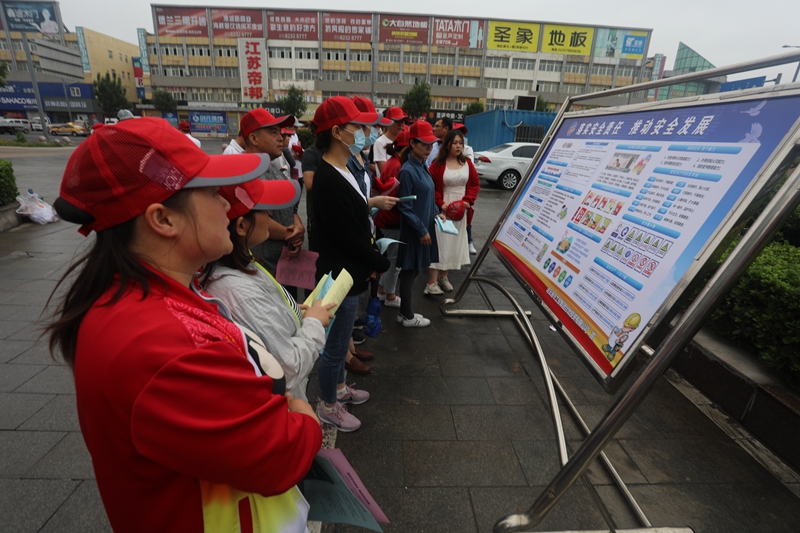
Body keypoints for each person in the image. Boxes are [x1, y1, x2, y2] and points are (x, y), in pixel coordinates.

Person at [46, 118, 321, 532]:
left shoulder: (151, 298)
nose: (227, 206)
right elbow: (280, 454)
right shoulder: (162, 344)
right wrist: (304, 414)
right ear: (163, 220)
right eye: (212, 192)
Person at [203, 178, 335, 401]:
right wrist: (313, 323)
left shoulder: (242, 262)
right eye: (264, 210)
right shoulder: (241, 295)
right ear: (241, 226)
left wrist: (285, 309)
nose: (271, 215)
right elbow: (289, 367)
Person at [310, 97, 390, 431]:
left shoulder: (345, 169)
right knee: (334, 348)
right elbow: (347, 236)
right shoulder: (328, 178)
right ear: (336, 131)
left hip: (351, 272)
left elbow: (357, 225)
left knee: (342, 342)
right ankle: (328, 405)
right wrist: (378, 261)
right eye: (357, 126)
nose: (364, 132)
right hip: (338, 276)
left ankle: (340, 389)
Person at [237, 108, 304, 299]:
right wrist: (290, 235)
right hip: (261, 269)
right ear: (254, 138)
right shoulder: (245, 172)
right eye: (273, 132)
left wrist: (298, 227)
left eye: (280, 132)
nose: (280, 138)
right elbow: (254, 218)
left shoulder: (273, 168)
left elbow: (290, 208)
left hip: (284, 265)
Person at [396, 121, 439, 326]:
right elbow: (404, 207)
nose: (429, 148)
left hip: (424, 227)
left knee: (414, 270)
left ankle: (404, 312)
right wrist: (421, 230)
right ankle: (407, 316)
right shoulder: (407, 171)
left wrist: (437, 214)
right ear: (412, 143)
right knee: (409, 271)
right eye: (424, 143)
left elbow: (428, 197)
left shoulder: (422, 166)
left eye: (431, 144)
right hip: (414, 231)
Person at [426, 129, 480, 293]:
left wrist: (467, 201)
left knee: (453, 244)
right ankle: (431, 282)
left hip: (460, 211)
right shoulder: (437, 164)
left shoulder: (467, 163)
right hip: (442, 210)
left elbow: (475, 185)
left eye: (460, 143)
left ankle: (444, 277)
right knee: (440, 243)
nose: (458, 146)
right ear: (447, 144)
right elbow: (430, 186)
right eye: (455, 143)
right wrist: (441, 203)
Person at [374, 129, 408, 308]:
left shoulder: (393, 162)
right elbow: (394, 198)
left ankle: (382, 291)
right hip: (391, 220)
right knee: (394, 261)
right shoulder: (397, 166)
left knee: (391, 258)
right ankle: (390, 295)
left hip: (386, 218)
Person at [453, 122, 477, 253]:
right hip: (447, 195)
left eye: (462, 134)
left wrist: (467, 199)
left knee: (466, 218)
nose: (460, 135)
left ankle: (469, 241)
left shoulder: (467, 150)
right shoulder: (439, 151)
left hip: (463, 191)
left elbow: (470, 170)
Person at [373, 106, 407, 174]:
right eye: (397, 121)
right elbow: (385, 172)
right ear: (388, 122)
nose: (400, 124)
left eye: (402, 121)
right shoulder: (380, 142)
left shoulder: (404, 142)